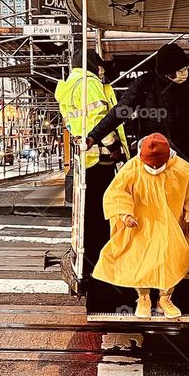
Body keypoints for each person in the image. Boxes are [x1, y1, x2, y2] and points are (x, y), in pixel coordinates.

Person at [93, 134, 189, 319]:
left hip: (171, 223)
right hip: (141, 223)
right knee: (139, 258)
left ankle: (165, 298)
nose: (154, 169)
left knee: (171, 256)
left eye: (158, 165)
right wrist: (125, 214)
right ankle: (143, 297)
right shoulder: (132, 167)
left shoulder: (181, 168)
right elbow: (117, 193)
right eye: (150, 165)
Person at [55, 50, 129, 275]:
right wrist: (114, 147)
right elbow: (100, 120)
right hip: (101, 157)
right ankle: (102, 265)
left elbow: (74, 126)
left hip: (86, 159)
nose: (102, 69)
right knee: (104, 212)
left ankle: (89, 263)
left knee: (88, 213)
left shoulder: (67, 89)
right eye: (99, 64)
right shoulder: (90, 84)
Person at [85, 42, 189, 165]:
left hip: (185, 154)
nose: (184, 73)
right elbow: (119, 112)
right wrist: (94, 136)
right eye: (178, 71)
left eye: (185, 69)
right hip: (153, 152)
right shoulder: (145, 83)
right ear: (165, 73)